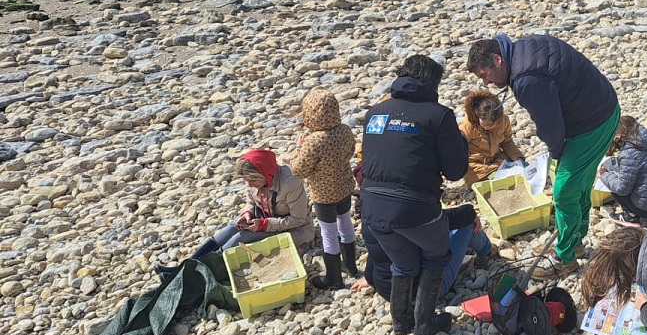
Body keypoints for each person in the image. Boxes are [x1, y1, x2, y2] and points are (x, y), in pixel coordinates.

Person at [467, 34, 620, 280]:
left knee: (564, 190)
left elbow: (549, 124)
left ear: (497, 60)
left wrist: (558, 153)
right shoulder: (523, 47)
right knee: (580, 181)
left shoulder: (527, 79)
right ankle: (575, 239)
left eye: (486, 75)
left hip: (592, 125)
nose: (487, 83)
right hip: (606, 109)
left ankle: (565, 258)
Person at [359, 54, 468, 335]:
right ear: (433, 83)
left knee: (403, 264)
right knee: (437, 255)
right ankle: (424, 325)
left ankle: (400, 322)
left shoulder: (374, 114)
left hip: (371, 209)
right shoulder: (439, 115)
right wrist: (462, 144)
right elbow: (456, 171)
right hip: (415, 207)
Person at [153, 149, 313, 278]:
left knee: (240, 238)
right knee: (231, 228)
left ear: (266, 175)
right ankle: (182, 269)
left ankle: (190, 275)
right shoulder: (254, 182)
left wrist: (264, 225)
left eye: (252, 180)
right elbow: (251, 203)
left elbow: (299, 219)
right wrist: (247, 214)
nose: (249, 185)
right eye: (246, 180)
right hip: (264, 220)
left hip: (292, 229)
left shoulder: (290, 182)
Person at [351, 203, 495, 298]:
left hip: (388, 291)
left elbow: (375, 249)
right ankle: (486, 251)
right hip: (427, 290)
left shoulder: (371, 217)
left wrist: (369, 277)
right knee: (468, 224)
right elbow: (442, 220)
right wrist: (470, 213)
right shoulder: (408, 213)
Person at [291, 87, 358, 290]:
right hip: (345, 186)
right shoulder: (345, 130)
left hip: (324, 194)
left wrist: (298, 148)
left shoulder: (314, 141)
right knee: (345, 224)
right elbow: (350, 152)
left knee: (328, 233)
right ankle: (351, 266)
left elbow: (298, 170)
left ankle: (334, 278)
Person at [598, 115, 647, 226]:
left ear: (619, 135)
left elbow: (622, 188)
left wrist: (604, 175)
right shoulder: (644, 144)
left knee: (611, 181)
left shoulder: (628, 153)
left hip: (646, 208)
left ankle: (630, 216)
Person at [459, 90, 525, 186]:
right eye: (484, 124)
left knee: (518, 165)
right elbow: (458, 150)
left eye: (491, 125)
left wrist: (517, 158)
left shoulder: (504, 121)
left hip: (496, 158)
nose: (487, 127)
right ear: (477, 116)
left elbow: (507, 142)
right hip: (476, 164)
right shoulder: (467, 127)